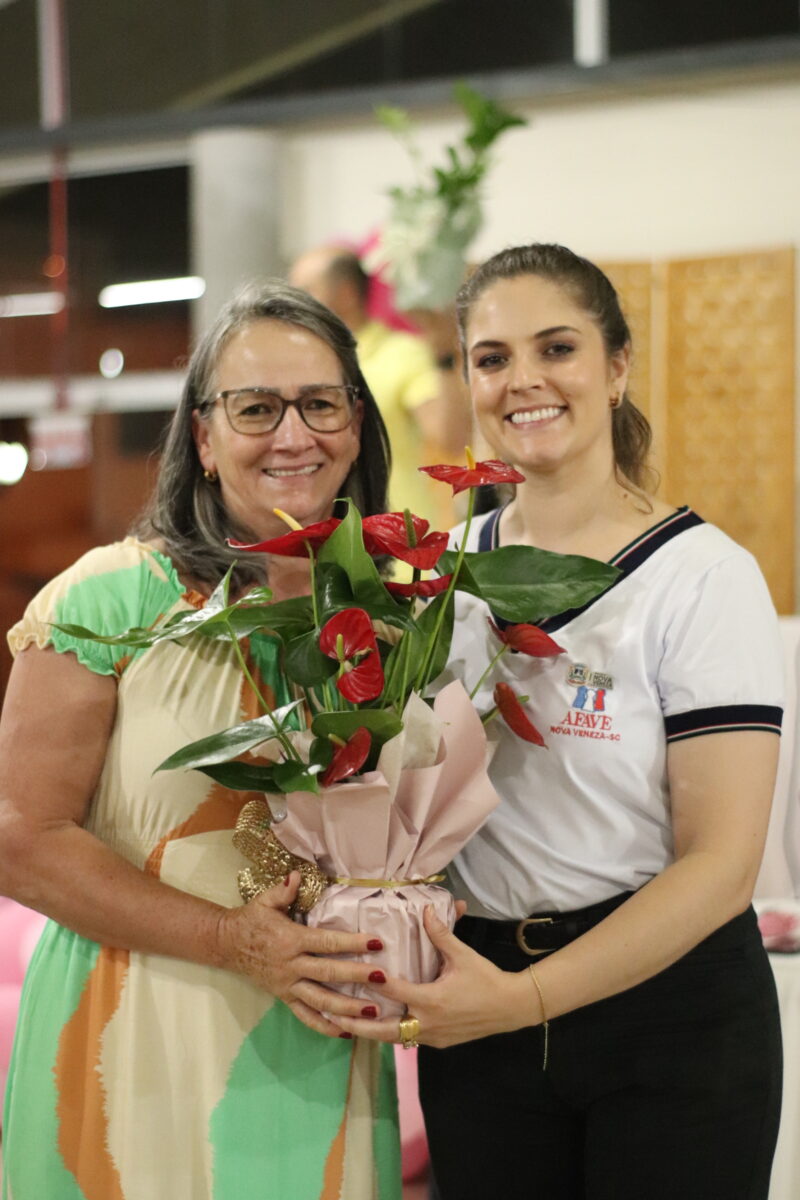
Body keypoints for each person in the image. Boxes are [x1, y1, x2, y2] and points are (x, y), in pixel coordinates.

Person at [333, 243, 784, 1200]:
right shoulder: (444, 574)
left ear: (617, 367)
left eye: (558, 348)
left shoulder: (701, 578)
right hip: (480, 1012)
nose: (523, 380)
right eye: (492, 358)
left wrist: (522, 1000)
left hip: (668, 1020)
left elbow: (721, 866)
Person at [0, 281, 402, 1199]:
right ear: (205, 439)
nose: (293, 435)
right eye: (256, 408)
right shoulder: (111, 597)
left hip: (320, 1041)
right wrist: (231, 940)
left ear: (355, 425)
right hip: (135, 1039)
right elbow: (19, 838)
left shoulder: (390, 618)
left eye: (320, 404)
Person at [289, 244, 470, 528]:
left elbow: (452, 440)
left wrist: (444, 356)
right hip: (327, 536)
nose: (294, 306)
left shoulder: (402, 353)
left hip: (401, 537)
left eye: (307, 291)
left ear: (346, 293)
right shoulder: (297, 364)